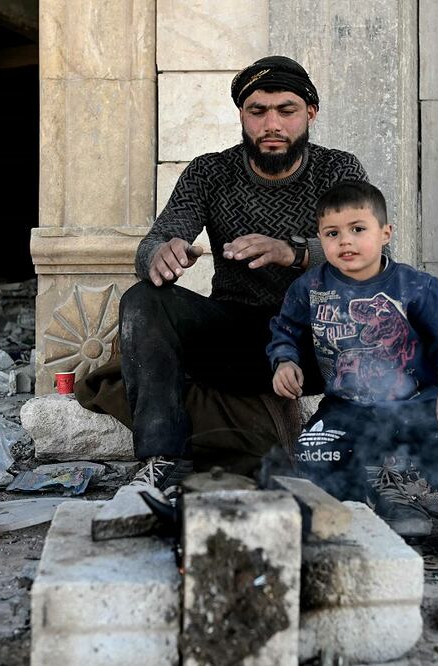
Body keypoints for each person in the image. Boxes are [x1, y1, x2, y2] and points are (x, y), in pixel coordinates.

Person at [119, 56, 367, 493]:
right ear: (242, 115)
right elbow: (153, 243)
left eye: (286, 111)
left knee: (384, 305)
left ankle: (345, 456)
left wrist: (292, 253)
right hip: (235, 338)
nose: (272, 124)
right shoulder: (209, 172)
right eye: (258, 111)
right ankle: (164, 458)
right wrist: (161, 253)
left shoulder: (338, 171)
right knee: (144, 299)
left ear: (310, 113)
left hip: (314, 342)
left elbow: (369, 256)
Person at [267, 181, 438, 571]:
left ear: (385, 233)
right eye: (332, 234)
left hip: (417, 402)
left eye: (358, 229)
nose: (346, 241)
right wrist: (284, 361)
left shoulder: (416, 287)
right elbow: (286, 330)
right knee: (314, 453)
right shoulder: (308, 288)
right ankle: (365, 509)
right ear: (320, 239)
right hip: (348, 406)